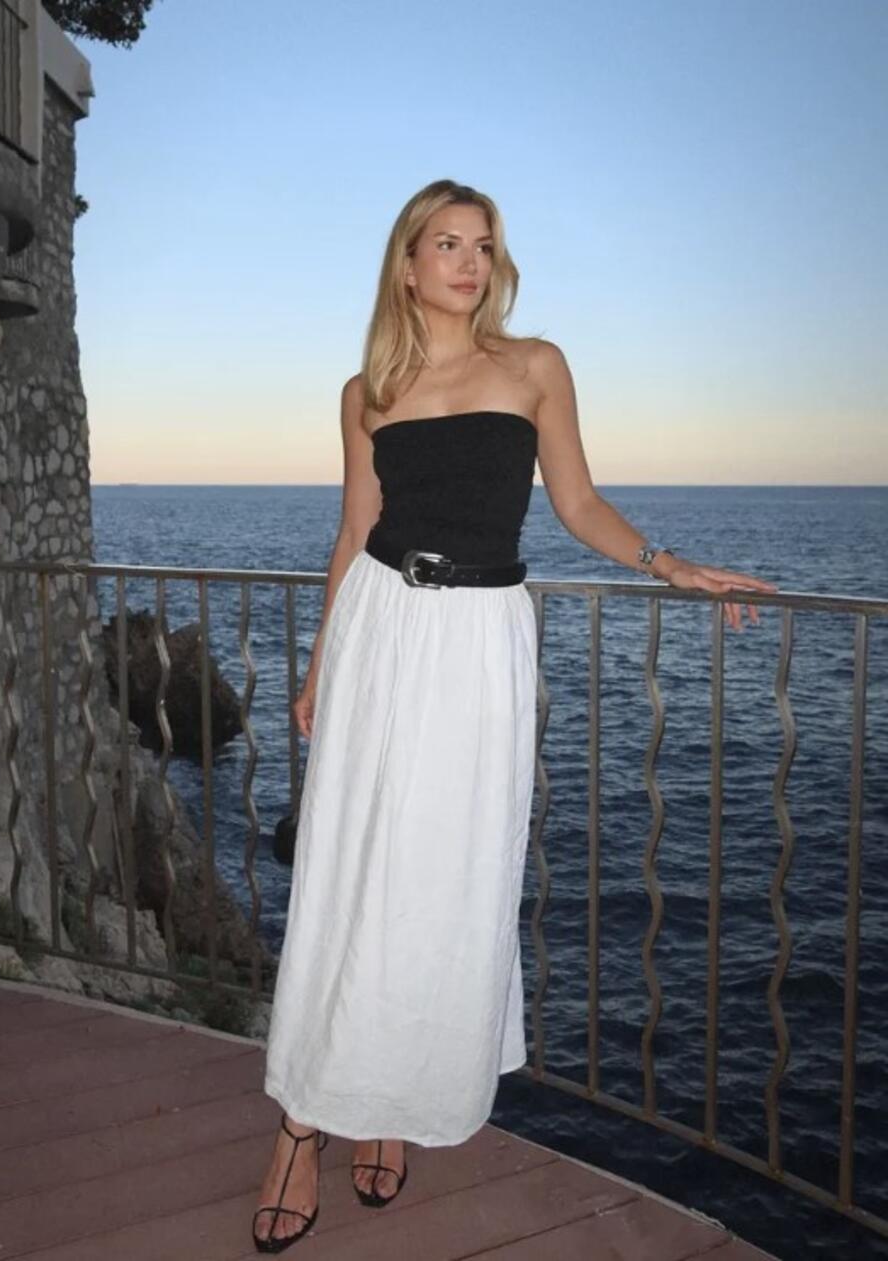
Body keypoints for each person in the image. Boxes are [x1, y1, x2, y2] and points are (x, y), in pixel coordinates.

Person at [251, 178, 776, 1252]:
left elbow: (576, 503)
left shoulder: (535, 367)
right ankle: (301, 1126)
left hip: (481, 641)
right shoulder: (366, 390)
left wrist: (669, 564)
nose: (469, 263)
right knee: (352, 871)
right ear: (407, 265)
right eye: (447, 244)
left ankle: (391, 1099)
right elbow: (354, 529)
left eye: (483, 246)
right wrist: (318, 668)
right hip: (381, 630)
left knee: (447, 878)